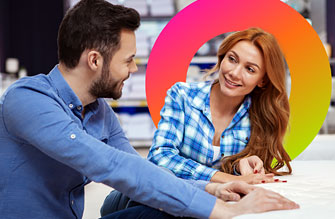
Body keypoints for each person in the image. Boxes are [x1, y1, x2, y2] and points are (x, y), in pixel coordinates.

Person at [0, 0, 299, 218]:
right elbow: (110, 165)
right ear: (95, 60)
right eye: (128, 59)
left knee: (169, 208)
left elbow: (143, 170)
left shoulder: (100, 112)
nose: (134, 67)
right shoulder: (27, 99)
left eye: (250, 69)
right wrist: (217, 209)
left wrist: (211, 190)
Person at [148, 27, 292, 184]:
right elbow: (159, 156)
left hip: (230, 205)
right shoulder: (182, 96)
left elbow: (246, 177)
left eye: (250, 69)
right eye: (232, 59)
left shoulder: (261, 117)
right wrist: (225, 178)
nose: (234, 73)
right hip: (174, 202)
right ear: (222, 57)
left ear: (262, 81)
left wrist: (241, 165)